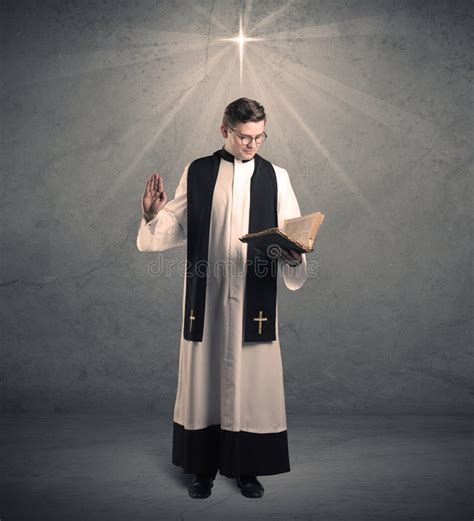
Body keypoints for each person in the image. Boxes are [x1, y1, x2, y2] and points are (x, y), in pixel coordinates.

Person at [136, 97, 307, 499]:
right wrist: (151, 216)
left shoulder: (276, 177)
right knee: (204, 380)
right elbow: (174, 225)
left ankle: (247, 469)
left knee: (253, 381)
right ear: (224, 130)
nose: (252, 144)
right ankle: (202, 470)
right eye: (244, 136)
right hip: (208, 295)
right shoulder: (198, 172)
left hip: (253, 295)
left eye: (259, 136)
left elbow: (295, 235)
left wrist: (294, 253)